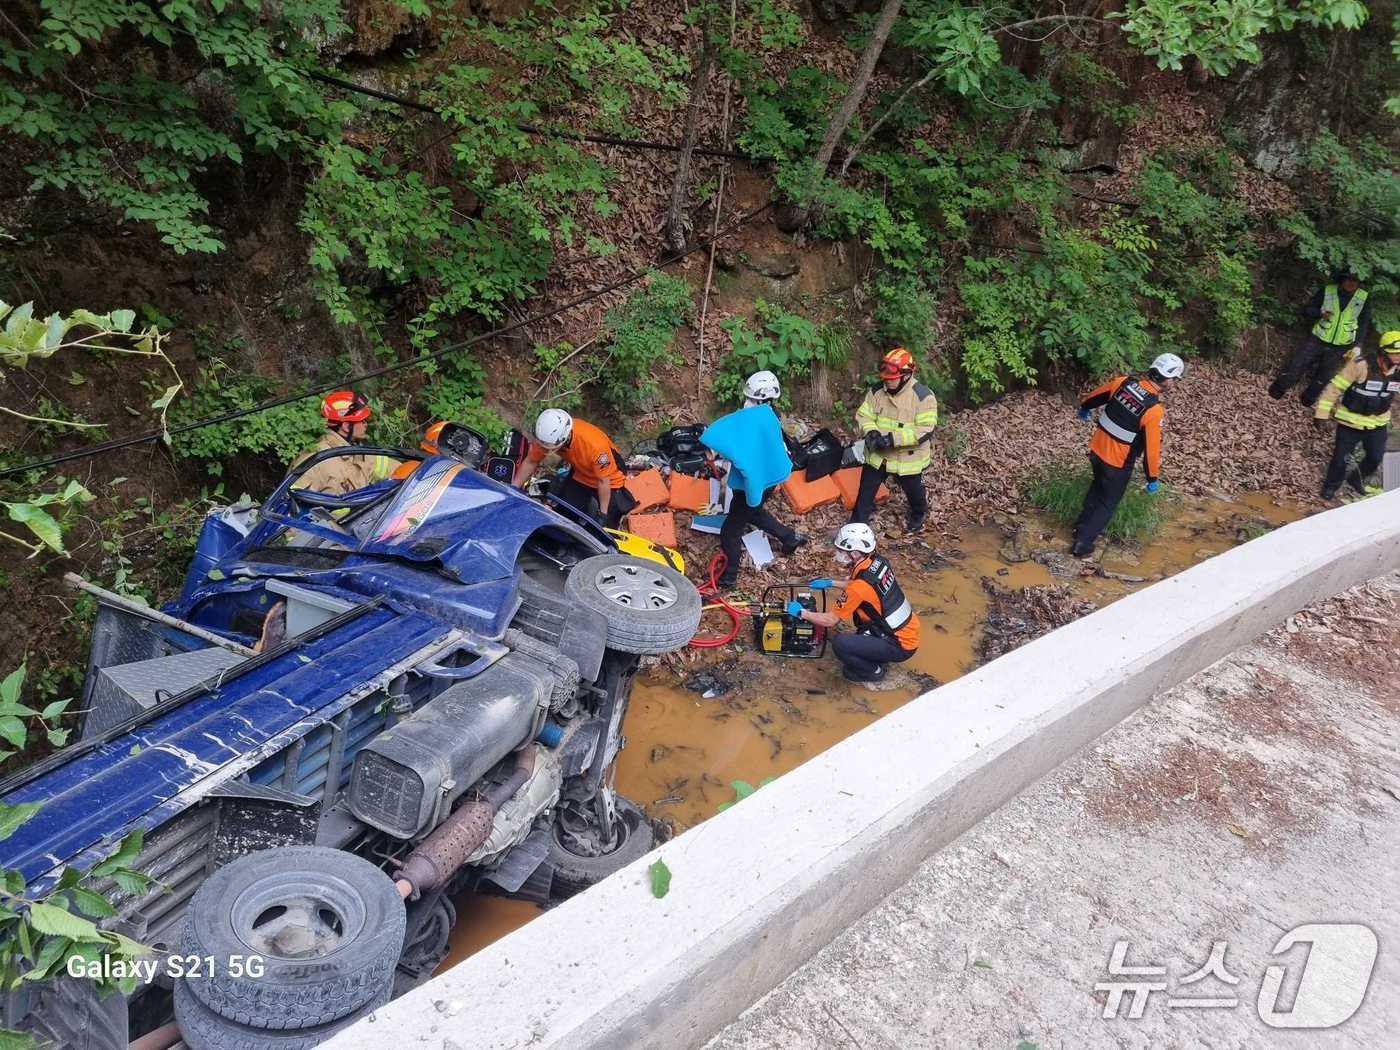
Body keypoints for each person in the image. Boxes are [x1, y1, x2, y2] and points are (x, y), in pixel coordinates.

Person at [700, 370, 808, 590]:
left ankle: (729, 577)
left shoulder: (753, 419)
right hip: (769, 478)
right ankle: (789, 538)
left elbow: (742, 448)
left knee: (731, 529)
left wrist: (713, 448)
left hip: (755, 481)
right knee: (754, 512)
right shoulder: (770, 415)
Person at [1071, 353, 1186, 558]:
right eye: (1175, 379)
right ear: (1168, 379)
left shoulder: (1123, 382)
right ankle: (1083, 543)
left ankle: (1080, 528)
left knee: (1096, 488)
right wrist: (1152, 478)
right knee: (1108, 502)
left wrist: (1085, 407)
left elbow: (1096, 395)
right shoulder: (1154, 410)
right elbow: (1152, 449)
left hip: (1097, 449)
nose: (1174, 383)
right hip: (1118, 462)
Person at [790, 524, 919, 683]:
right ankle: (876, 649)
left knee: (842, 644)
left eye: (841, 551)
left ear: (855, 553)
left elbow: (830, 620)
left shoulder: (859, 588)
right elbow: (864, 587)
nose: (838, 554)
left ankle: (874, 671)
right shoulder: (878, 562)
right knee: (859, 634)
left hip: (900, 644)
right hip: (904, 630)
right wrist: (831, 583)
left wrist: (801, 612)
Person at [850, 347, 938, 531]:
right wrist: (871, 431)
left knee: (914, 492)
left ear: (906, 375)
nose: (888, 383)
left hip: (907, 459)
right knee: (866, 490)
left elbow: (925, 429)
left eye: (892, 379)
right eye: (886, 379)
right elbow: (864, 415)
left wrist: (893, 439)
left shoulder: (923, 396)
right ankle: (857, 524)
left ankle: (918, 512)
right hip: (878, 455)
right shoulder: (876, 392)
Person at [514, 409, 638, 528]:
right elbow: (531, 461)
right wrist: (513, 488)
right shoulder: (547, 437)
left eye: (548, 448)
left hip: (610, 480)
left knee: (607, 524)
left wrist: (603, 514)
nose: (544, 450)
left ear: (564, 438)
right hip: (581, 474)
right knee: (566, 514)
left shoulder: (594, 446)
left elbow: (603, 481)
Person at [1314, 330, 1400, 500]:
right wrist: (1321, 414)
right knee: (1340, 459)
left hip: (1377, 423)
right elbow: (1334, 388)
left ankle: (1355, 479)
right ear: (1383, 352)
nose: (1399, 357)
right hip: (1350, 423)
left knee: (1375, 457)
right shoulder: (1361, 365)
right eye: (1396, 354)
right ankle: (1330, 487)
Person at [1269, 269, 1372, 406]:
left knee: (1325, 375)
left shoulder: (1363, 298)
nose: (1351, 283)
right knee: (1297, 364)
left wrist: (1358, 344)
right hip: (1318, 338)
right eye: (1348, 279)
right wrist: (1319, 313)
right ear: (1342, 279)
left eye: (1355, 280)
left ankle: (1307, 401)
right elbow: (1307, 310)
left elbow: (1363, 323)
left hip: (1341, 344)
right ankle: (1275, 392)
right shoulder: (1327, 291)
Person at [287, 390, 396, 495]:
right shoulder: (315, 460)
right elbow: (291, 502)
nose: (365, 424)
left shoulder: (357, 451)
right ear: (346, 426)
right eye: (362, 421)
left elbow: (393, 468)